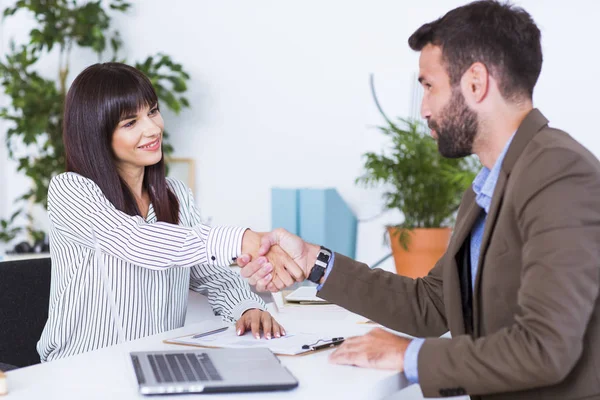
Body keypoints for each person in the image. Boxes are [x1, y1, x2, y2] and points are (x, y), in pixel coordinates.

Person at [238, 1, 600, 399]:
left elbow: (546, 348)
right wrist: (312, 260)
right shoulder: (488, 187)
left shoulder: (559, 174)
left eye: (429, 86)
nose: (424, 110)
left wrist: (410, 355)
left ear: (475, 82)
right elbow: (430, 304)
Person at [37, 63, 304, 362]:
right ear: (97, 135)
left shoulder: (175, 195)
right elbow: (137, 242)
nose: (153, 128)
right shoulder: (71, 190)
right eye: (130, 123)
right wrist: (243, 239)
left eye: (152, 111)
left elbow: (210, 273)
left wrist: (247, 307)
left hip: (156, 367)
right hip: (82, 373)